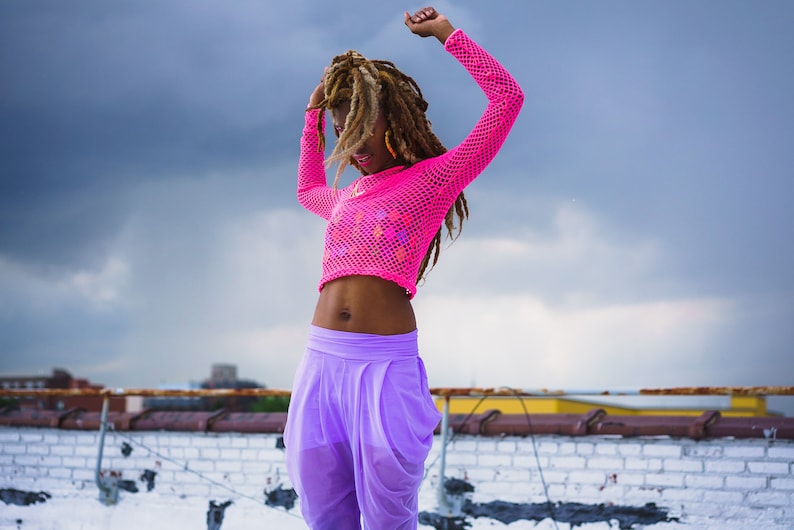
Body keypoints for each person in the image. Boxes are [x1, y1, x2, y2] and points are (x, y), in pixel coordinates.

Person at [283, 6, 524, 529]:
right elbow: (307, 191)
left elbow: (507, 100)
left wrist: (445, 35)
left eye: (364, 128)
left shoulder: (435, 180)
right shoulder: (346, 198)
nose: (356, 144)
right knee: (325, 514)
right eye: (344, 130)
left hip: (384, 368)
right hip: (321, 362)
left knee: (389, 516)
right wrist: (311, 118)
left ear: (394, 119)